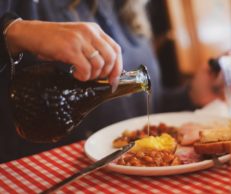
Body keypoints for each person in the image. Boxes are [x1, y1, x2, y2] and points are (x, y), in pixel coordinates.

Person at [0, 0, 197, 163]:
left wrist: (191, 95)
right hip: (40, 175)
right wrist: (15, 31)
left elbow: (142, 107)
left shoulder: (127, 7)